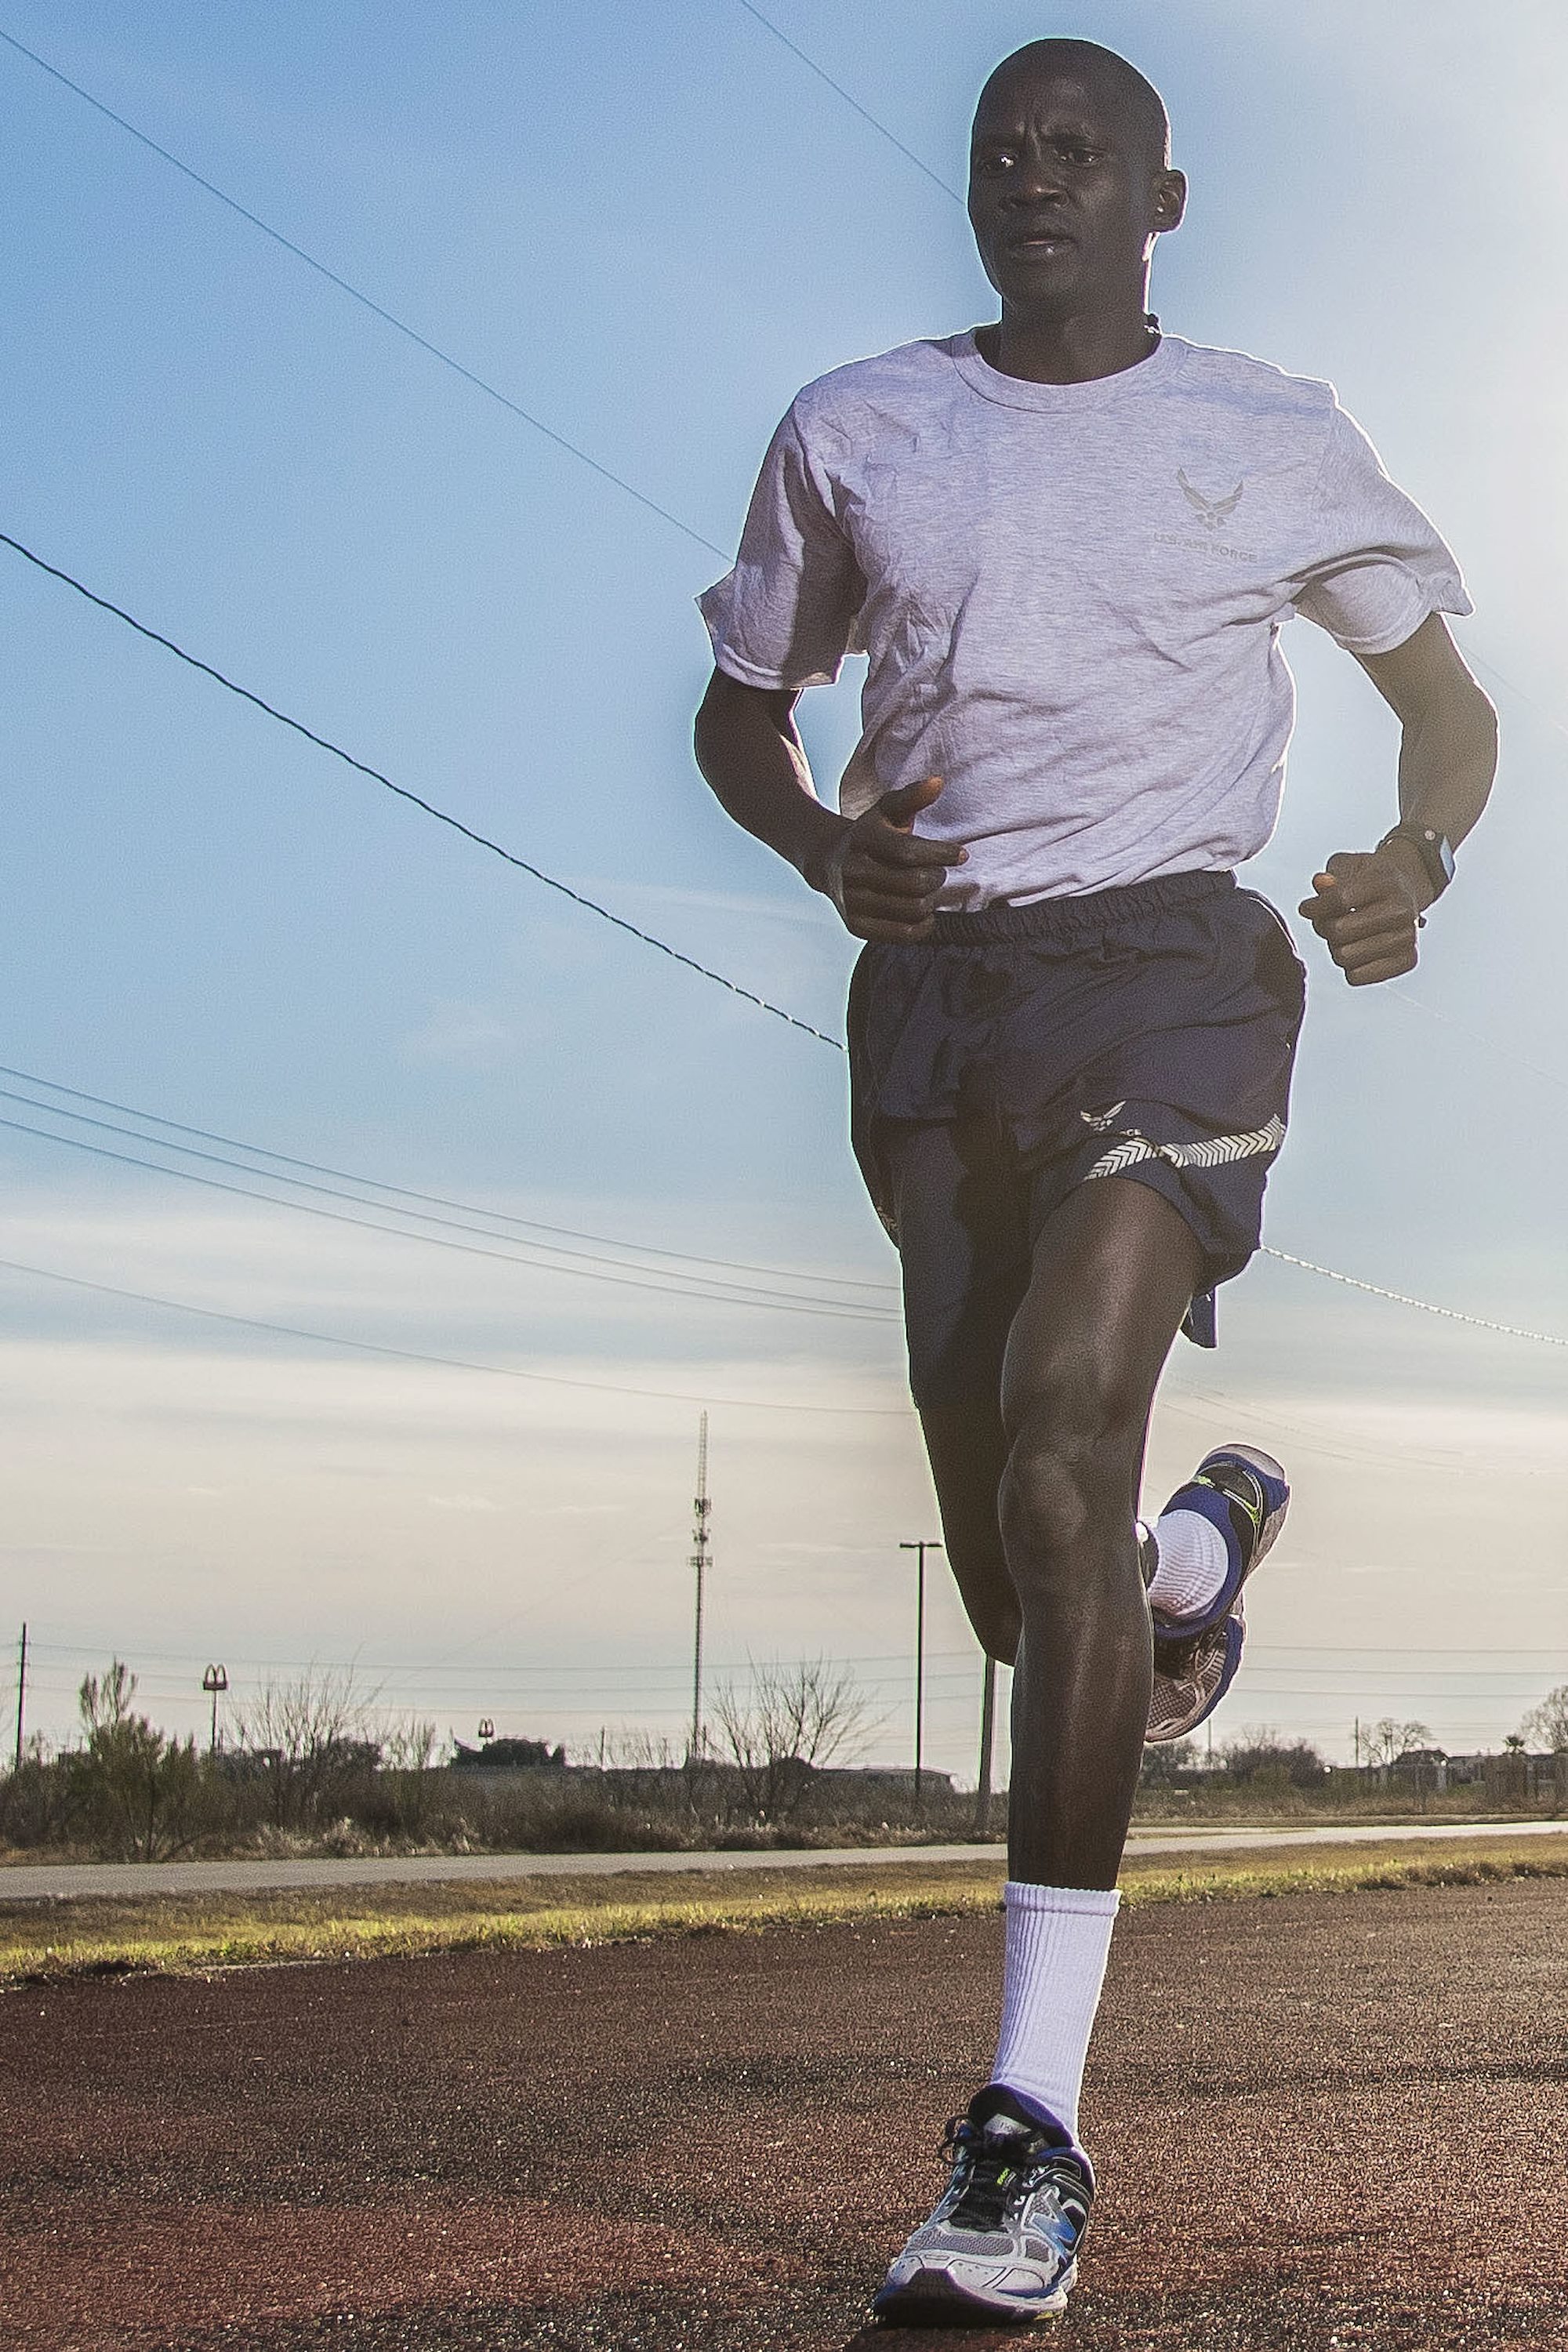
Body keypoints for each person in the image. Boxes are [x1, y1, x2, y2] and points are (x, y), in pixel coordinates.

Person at [693, 36, 1497, 2326]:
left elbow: (1449, 714)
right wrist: (818, 843)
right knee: (1023, 1581)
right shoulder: (856, 427)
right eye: (1000, 154)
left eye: (1078, 154)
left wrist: (1418, 857)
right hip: (941, 1006)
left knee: (1062, 1432)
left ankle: (1023, 2130)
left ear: (1163, 196)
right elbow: (739, 714)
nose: (1031, 181)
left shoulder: (1265, 428)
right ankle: (1187, 1567)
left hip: (1177, 971)